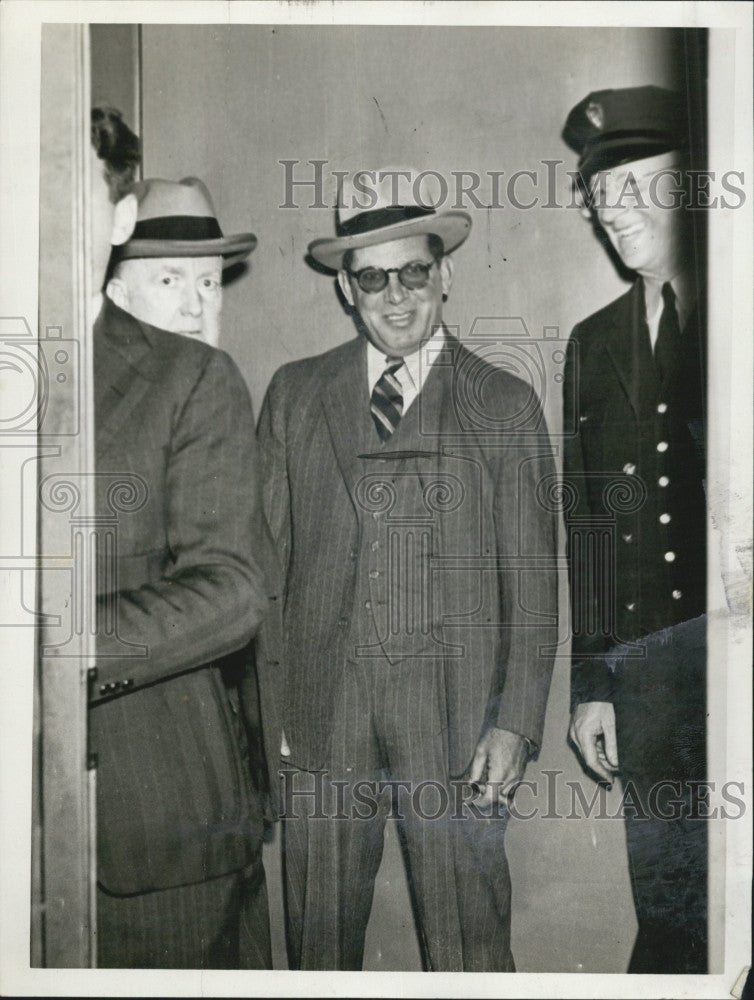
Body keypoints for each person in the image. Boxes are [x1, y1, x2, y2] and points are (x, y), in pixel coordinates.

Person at [258, 170, 558, 971]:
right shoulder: (294, 396)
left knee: (470, 954)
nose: (395, 296)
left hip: (459, 722)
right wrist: (270, 711)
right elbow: (268, 567)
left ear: (445, 275)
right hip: (323, 720)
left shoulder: (503, 403)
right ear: (346, 292)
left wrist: (516, 723)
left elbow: (533, 584)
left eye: (413, 272)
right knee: (317, 948)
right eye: (372, 278)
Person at [89, 167, 281, 968]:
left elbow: (236, 591)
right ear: (116, 286)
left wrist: (56, 641)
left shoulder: (203, 381)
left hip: (167, 820)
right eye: (172, 279)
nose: (202, 303)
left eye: (211, 281)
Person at [561, 86, 707, 973]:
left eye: (639, 187)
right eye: (600, 197)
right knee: (670, 913)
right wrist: (596, 680)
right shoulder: (594, 341)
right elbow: (590, 527)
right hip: (651, 685)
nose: (616, 214)